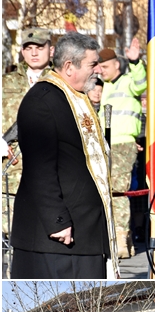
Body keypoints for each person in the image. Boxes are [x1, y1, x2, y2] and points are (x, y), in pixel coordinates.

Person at [11, 32, 117, 280]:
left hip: (83, 235)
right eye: (93, 64)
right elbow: (40, 169)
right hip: (58, 239)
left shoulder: (75, 97)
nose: (99, 70)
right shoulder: (42, 101)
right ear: (69, 66)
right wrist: (57, 221)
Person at [2, 27, 53, 238]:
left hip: (50, 175)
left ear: (51, 50)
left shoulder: (61, 82)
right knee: (13, 238)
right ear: (22, 52)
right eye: (28, 48)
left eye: (39, 47)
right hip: (12, 174)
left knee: (46, 238)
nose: (34, 53)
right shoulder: (6, 82)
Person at [97, 39, 146, 259]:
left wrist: (135, 61)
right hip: (106, 145)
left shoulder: (127, 81)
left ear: (117, 64)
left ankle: (121, 239)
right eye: (98, 67)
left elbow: (141, 83)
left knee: (117, 191)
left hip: (123, 144)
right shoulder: (104, 86)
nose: (101, 70)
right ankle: (123, 240)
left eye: (104, 66)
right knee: (110, 192)